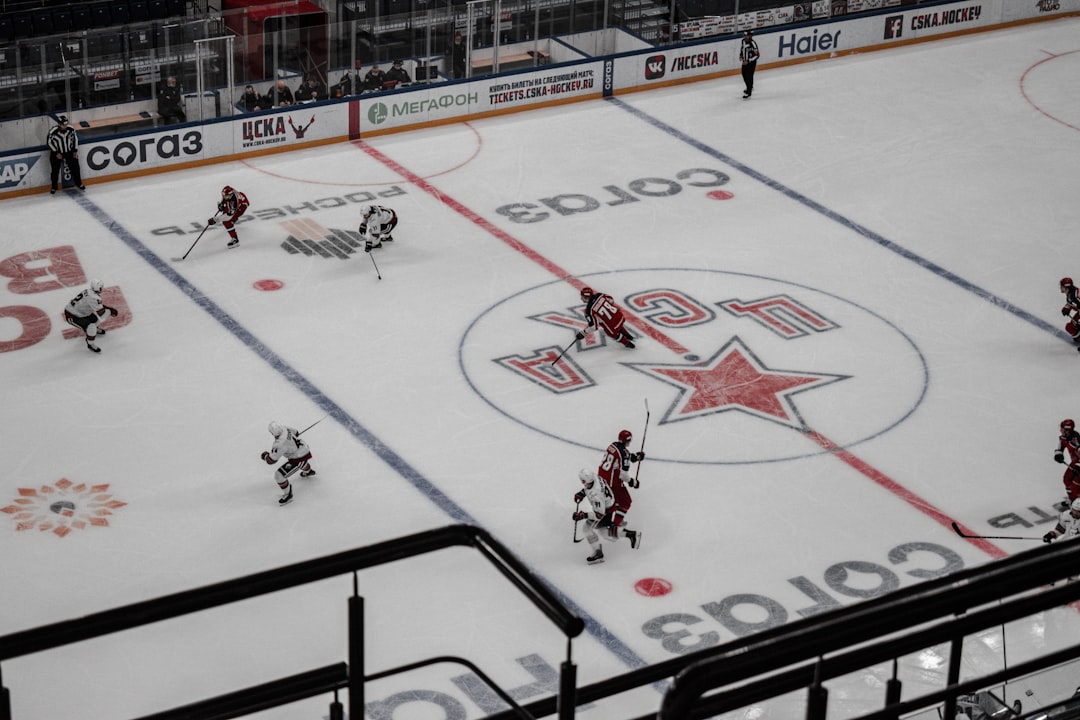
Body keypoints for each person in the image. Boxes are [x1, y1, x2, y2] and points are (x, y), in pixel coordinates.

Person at [572, 468, 640, 565]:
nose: (582, 482)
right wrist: (582, 493)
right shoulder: (594, 477)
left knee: (587, 529)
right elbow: (590, 487)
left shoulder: (595, 494)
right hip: (609, 505)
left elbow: (599, 515)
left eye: (583, 481)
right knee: (604, 532)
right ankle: (631, 535)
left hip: (604, 510)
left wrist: (583, 515)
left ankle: (598, 553)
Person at [261, 421, 316, 506]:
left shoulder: (279, 444)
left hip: (298, 457)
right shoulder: (284, 428)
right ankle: (308, 471)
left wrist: (265, 456)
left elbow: (271, 460)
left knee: (279, 476)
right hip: (304, 448)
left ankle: (288, 494)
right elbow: (296, 432)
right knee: (302, 463)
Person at [63, 278, 117, 353]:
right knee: (91, 327)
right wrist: (110, 311)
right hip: (72, 315)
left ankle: (93, 330)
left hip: (80, 312)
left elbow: (95, 305)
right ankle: (90, 344)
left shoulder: (88, 291)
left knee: (94, 320)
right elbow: (101, 313)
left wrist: (108, 309)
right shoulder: (94, 297)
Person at [46, 115, 85, 194]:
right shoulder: (53, 131)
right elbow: (49, 142)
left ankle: (78, 183)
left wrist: (75, 150)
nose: (65, 126)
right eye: (63, 125)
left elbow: (75, 139)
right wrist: (56, 152)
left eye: (66, 124)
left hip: (69, 152)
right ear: (59, 124)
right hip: (57, 153)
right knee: (55, 171)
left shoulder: (71, 129)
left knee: (76, 168)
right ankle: (54, 187)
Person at [1055, 418, 1080, 509]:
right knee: (1067, 479)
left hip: (1079, 464)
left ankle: (1076, 502)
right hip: (1075, 463)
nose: (1060, 430)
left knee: (1076, 485)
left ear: (1067, 430)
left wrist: (1079, 466)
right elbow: (1061, 446)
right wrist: (1059, 454)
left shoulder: (1076, 441)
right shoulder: (1064, 437)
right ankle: (1072, 499)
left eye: (1062, 428)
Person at [1061, 278, 1080, 351]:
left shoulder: (1076, 296)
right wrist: (1066, 308)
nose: (1061, 288)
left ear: (1067, 287)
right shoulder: (1070, 293)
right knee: (1069, 327)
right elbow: (1070, 302)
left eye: (1062, 286)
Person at [740, 29, 760, 99]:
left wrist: (748, 61)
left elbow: (757, 55)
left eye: (748, 36)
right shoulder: (742, 41)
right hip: (744, 62)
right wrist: (741, 55)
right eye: (745, 35)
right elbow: (742, 49)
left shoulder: (753, 44)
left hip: (751, 63)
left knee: (749, 76)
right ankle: (750, 87)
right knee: (743, 74)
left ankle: (749, 92)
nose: (746, 37)